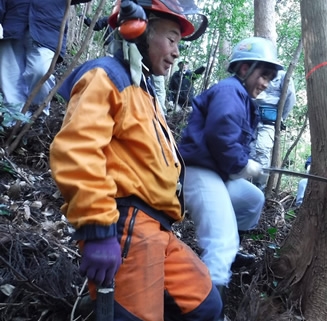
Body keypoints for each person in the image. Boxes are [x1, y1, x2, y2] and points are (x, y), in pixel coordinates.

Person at [49, 0, 221, 320]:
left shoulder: (143, 91)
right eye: (171, 39)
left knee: (205, 305)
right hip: (126, 226)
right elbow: (77, 150)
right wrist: (98, 229)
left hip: (159, 229)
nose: (176, 51)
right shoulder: (106, 75)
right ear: (138, 27)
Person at [178, 36, 283, 320]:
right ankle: (210, 310)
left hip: (217, 173)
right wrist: (242, 165)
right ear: (244, 68)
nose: (265, 84)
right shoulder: (229, 91)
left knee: (252, 199)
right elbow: (220, 132)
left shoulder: (243, 98)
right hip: (199, 172)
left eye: (270, 79)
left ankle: (231, 252)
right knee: (220, 242)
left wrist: (242, 166)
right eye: (263, 75)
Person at [0, 0, 91, 124]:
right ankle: (12, 122)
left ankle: (36, 117)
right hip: (12, 20)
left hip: (47, 26)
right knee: (10, 76)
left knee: (41, 70)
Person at [251, 69, 296, 190]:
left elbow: (290, 98)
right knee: (248, 151)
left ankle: (259, 188)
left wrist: (280, 118)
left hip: (269, 119)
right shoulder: (254, 71)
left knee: (262, 150)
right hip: (250, 117)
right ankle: (244, 188)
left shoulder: (282, 75)